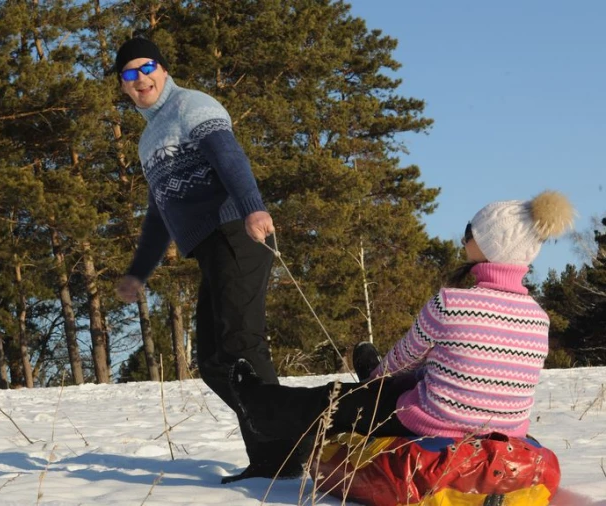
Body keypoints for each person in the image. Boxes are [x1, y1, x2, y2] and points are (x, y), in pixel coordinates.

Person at [230, 191, 575, 443]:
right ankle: (371, 370)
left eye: (471, 231)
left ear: (488, 244)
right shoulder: (538, 318)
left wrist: (375, 381)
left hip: (437, 422)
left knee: (336, 398)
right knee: (424, 373)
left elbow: (403, 359)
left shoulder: (452, 303)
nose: (464, 237)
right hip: (507, 431)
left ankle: (262, 407)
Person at [111, 37, 302, 482]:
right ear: (122, 87)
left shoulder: (191, 104)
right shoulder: (147, 140)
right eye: (129, 74)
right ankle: (275, 446)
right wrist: (139, 272)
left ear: (163, 69)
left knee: (242, 346)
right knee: (215, 359)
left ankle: (285, 454)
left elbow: (226, 155)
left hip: (237, 231)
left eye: (147, 68)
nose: (140, 79)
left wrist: (253, 205)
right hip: (212, 247)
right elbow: (160, 213)